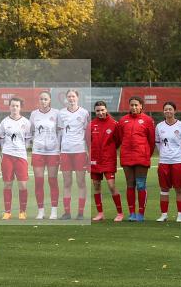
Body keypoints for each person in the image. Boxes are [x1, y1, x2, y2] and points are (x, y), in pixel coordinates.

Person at [117, 96, 155, 222]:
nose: (133, 107)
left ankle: (141, 213)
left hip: (141, 156)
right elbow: (121, 138)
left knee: (140, 185)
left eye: (136, 105)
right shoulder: (123, 121)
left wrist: (146, 153)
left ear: (141, 106)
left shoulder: (148, 120)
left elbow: (151, 140)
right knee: (130, 184)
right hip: (127, 156)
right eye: (131, 105)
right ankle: (132, 213)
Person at [57, 89, 90, 219]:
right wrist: (59, 149)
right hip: (65, 151)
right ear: (66, 98)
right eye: (69, 97)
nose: (71, 99)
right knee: (67, 182)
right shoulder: (61, 113)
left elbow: (87, 134)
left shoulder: (84, 113)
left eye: (73, 96)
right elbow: (60, 133)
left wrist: (89, 151)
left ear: (78, 97)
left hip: (80, 151)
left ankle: (80, 213)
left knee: (81, 182)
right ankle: (67, 212)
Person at [89, 101, 123, 221]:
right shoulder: (91, 124)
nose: (100, 112)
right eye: (98, 110)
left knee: (111, 186)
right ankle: (100, 213)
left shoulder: (114, 124)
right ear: (95, 111)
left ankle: (120, 213)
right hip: (94, 159)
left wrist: (109, 150)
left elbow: (118, 141)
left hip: (108, 160)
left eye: (102, 110)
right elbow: (88, 141)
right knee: (96, 186)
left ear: (106, 110)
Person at [0, 97, 31, 220]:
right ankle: (7, 212)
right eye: (12, 105)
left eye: (17, 106)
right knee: (8, 184)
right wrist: (4, 150)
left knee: (22, 185)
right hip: (7, 155)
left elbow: (28, 139)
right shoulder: (4, 122)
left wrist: (22, 149)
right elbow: (0, 139)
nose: (15, 108)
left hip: (21, 156)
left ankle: (22, 211)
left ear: (20, 107)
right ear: (9, 107)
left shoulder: (26, 122)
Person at [30, 91, 60, 220]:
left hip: (53, 152)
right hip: (38, 152)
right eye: (41, 99)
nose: (43, 101)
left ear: (50, 100)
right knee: (39, 182)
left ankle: (54, 211)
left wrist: (57, 145)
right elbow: (31, 131)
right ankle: (41, 211)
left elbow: (60, 131)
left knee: (52, 180)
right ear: (38, 100)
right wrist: (36, 143)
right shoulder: (34, 114)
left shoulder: (56, 113)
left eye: (46, 99)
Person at [155, 101, 181, 222]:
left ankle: (180, 214)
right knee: (164, 189)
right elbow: (158, 143)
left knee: (179, 188)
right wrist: (164, 154)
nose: (168, 111)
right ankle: (164, 214)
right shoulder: (159, 126)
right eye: (165, 109)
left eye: (170, 109)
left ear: (175, 111)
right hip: (164, 161)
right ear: (163, 111)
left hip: (178, 161)